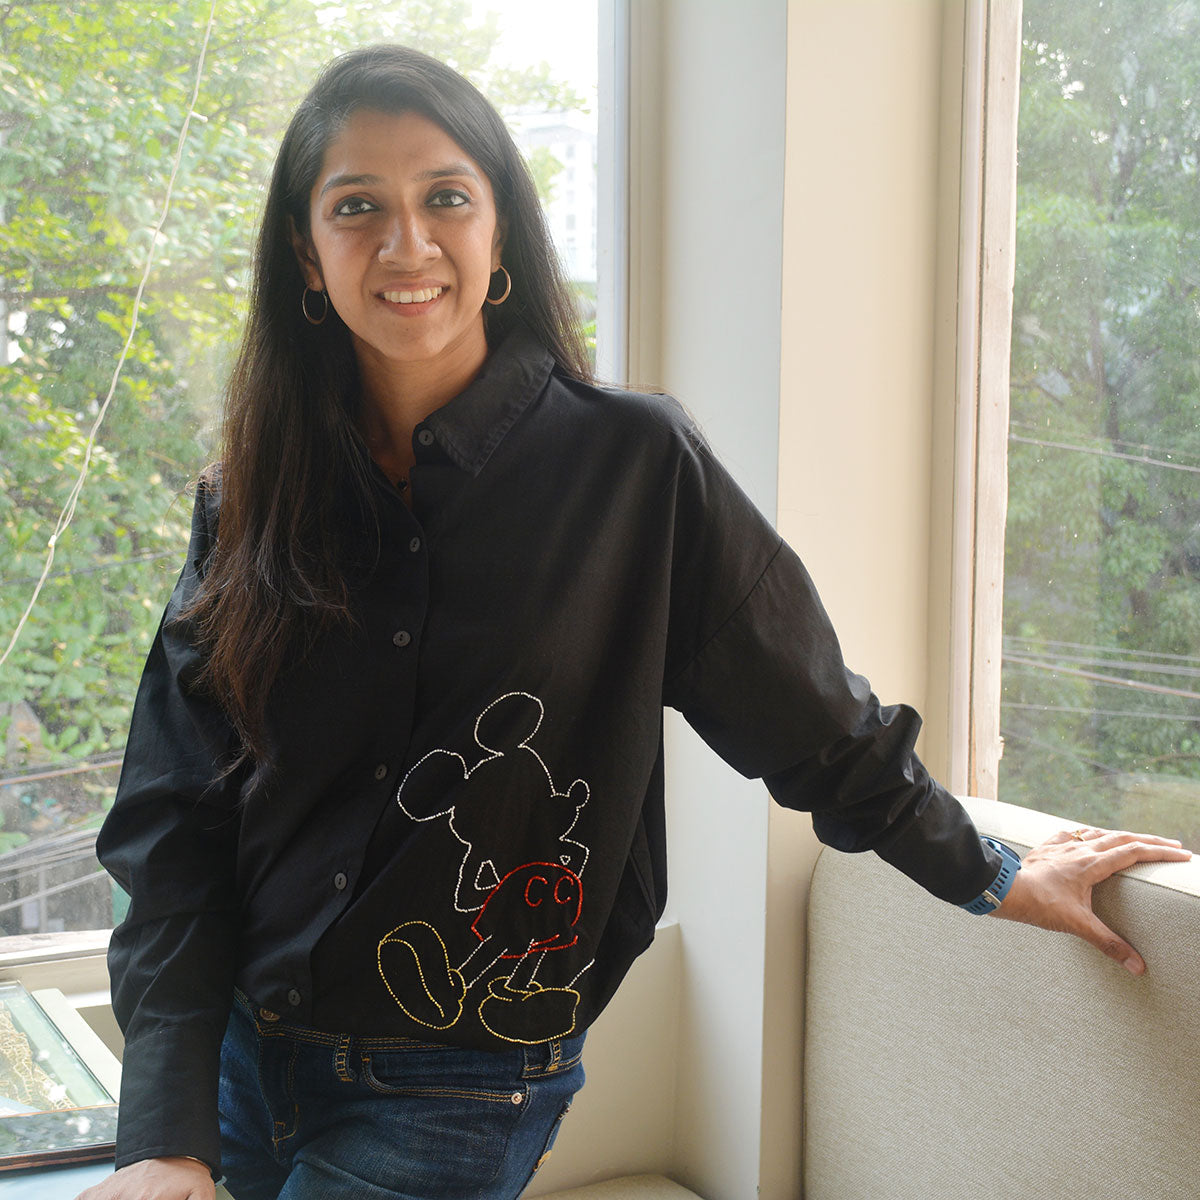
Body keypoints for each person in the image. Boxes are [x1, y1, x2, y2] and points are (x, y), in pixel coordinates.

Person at [80, 43, 1191, 1200]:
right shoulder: (254, 496)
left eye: (446, 197)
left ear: (501, 233)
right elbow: (171, 814)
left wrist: (990, 870)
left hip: (455, 1084)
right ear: (306, 256)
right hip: (237, 1053)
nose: (407, 244)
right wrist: (163, 1133)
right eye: (357, 206)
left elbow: (810, 716)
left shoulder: (635, 466)